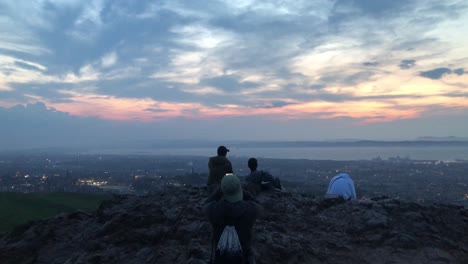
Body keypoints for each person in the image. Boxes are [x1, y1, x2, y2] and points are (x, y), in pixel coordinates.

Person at [205, 174, 260, 264]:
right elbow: (257, 204)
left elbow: (206, 204)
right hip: (243, 259)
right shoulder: (250, 210)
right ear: (239, 191)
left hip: (220, 259)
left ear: (223, 191)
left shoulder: (213, 210)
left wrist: (219, 192)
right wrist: (244, 193)